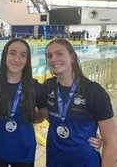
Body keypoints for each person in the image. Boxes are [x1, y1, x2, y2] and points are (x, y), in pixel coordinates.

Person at [42, 38, 116, 167]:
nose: (53, 59)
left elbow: (110, 140)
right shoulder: (47, 87)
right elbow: (52, 118)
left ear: (72, 57)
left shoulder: (94, 91)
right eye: (49, 56)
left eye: (59, 54)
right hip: (54, 161)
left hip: (85, 162)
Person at [0, 38, 46, 167]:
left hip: (24, 151)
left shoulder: (35, 87)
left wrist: (28, 120)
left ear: (27, 60)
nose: (17, 59)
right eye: (12, 53)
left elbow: (42, 116)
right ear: (4, 55)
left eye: (23, 55)